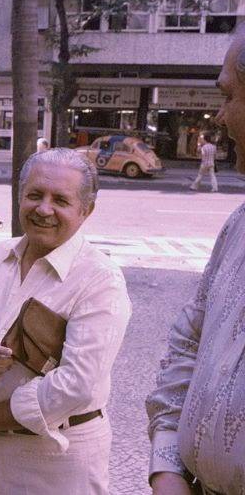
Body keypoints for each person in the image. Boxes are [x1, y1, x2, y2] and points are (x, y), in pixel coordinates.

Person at [0, 148, 131, 494]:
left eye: (61, 200)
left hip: (58, 456)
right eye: (35, 195)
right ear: (20, 197)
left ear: (86, 211)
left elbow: (76, 384)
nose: (44, 209)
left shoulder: (99, 278)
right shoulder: (0, 256)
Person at [146, 34, 245, 495]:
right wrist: (167, 468)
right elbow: (189, 341)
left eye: (228, 96)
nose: (221, 117)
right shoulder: (238, 226)